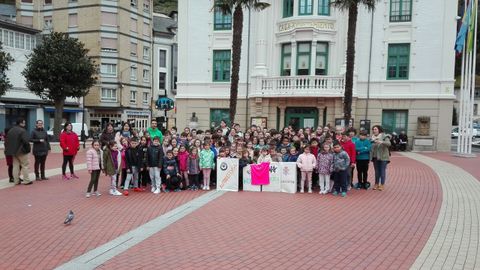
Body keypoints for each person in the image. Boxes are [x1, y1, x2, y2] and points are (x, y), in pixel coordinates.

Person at [5, 118, 32, 185]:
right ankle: (26, 180)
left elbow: (7, 141)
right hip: (22, 151)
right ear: (21, 123)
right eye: (24, 122)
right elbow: (26, 141)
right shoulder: (22, 130)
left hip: (13, 152)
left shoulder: (11, 130)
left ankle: (16, 181)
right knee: (25, 165)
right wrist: (28, 149)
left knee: (15, 166)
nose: (25, 124)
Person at [371, 125, 391, 191]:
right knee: (377, 171)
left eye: (375, 129)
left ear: (379, 130)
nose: (374, 131)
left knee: (382, 171)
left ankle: (382, 184)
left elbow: (389, 143)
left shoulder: (384, 136)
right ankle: (376, 184)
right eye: (373, 129)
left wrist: (381, 142)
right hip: (375, 157)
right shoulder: (372, 138)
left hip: (383, 157)